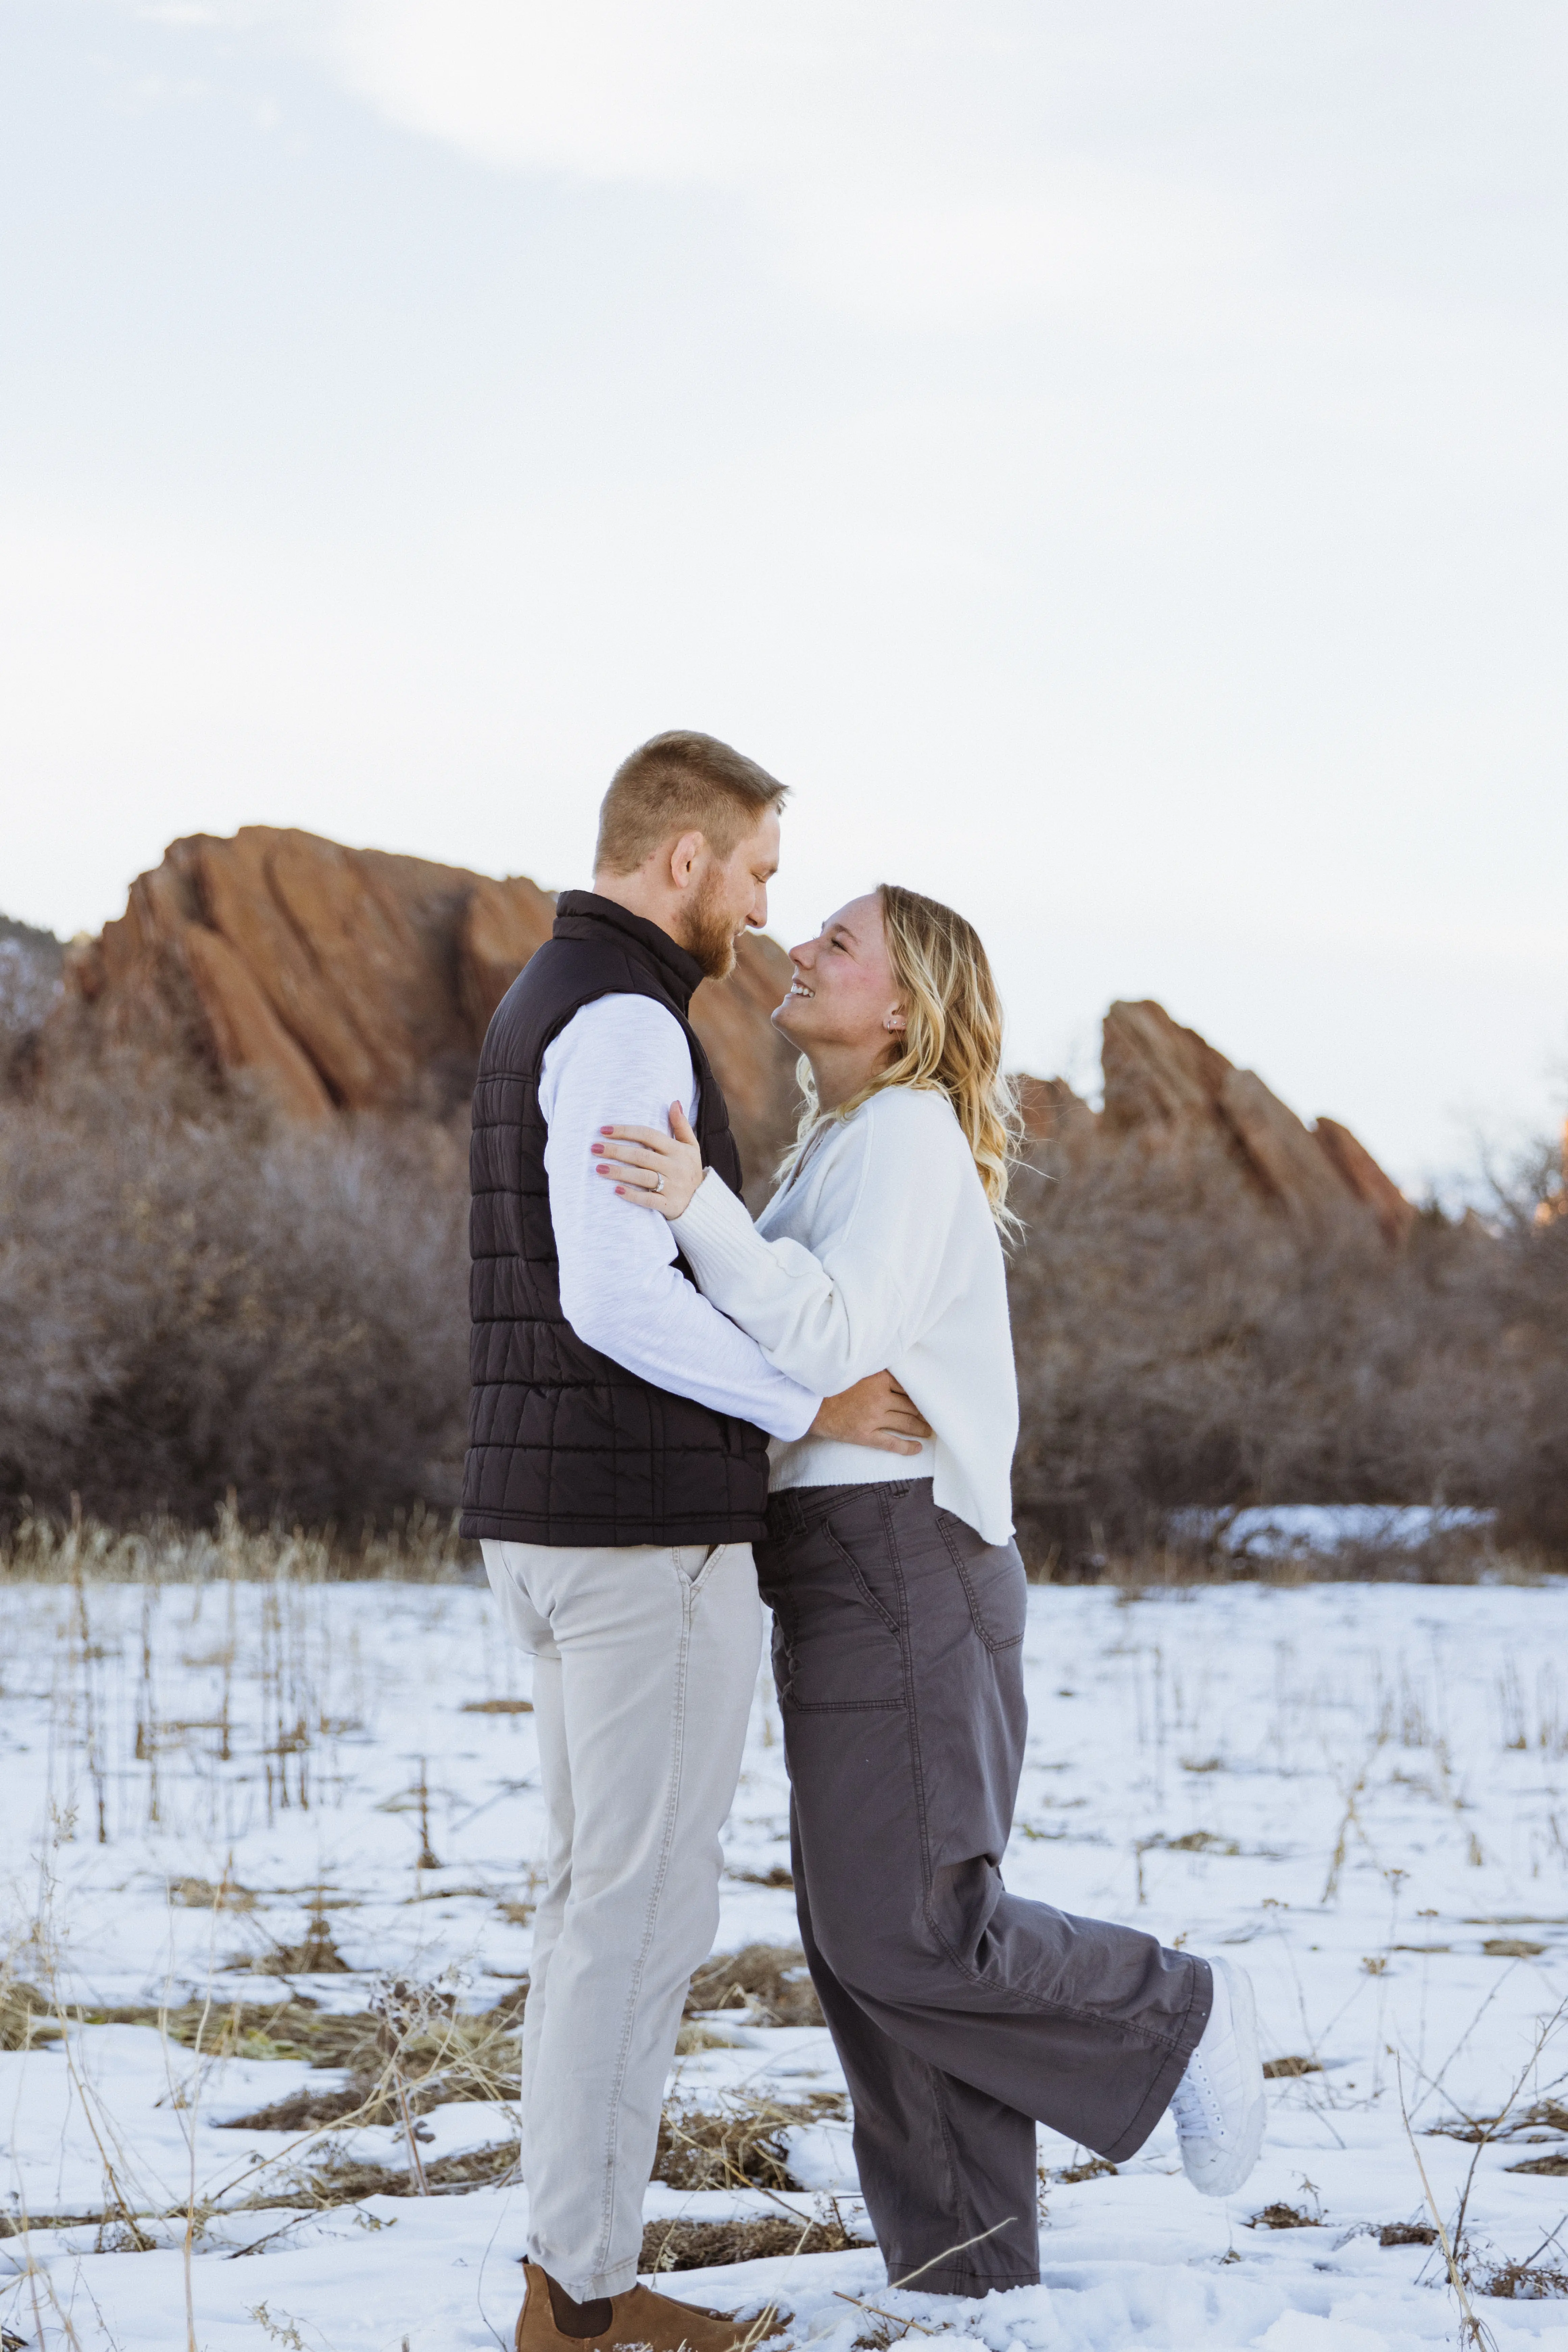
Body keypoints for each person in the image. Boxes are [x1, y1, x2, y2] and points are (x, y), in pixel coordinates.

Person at [594, 882, 1268, 2301]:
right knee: (868, 1945)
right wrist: (796, 1377)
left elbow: (824, 1330)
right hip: (843, 1559)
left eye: (839, 942)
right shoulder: (841, 1144)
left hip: (905, 1553)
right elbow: (796, 1359)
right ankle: (967, 2282)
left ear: (903, 1009)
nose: (799, 948)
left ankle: (1179, 2011)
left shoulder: (903, 1134)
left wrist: (698, 1208)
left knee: (908, 1928)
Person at [461, 737, 931, 2352]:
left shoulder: (555, 996)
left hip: (565, 1530)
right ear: (684, 858)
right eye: (756, 872)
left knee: (594, 1908)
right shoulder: (617, 1017)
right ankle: (585, 2314)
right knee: (635, 1918)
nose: (762, 909)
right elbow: (610, 1296)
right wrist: (804, 1400)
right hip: (638, 1540)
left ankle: (570, 2284)